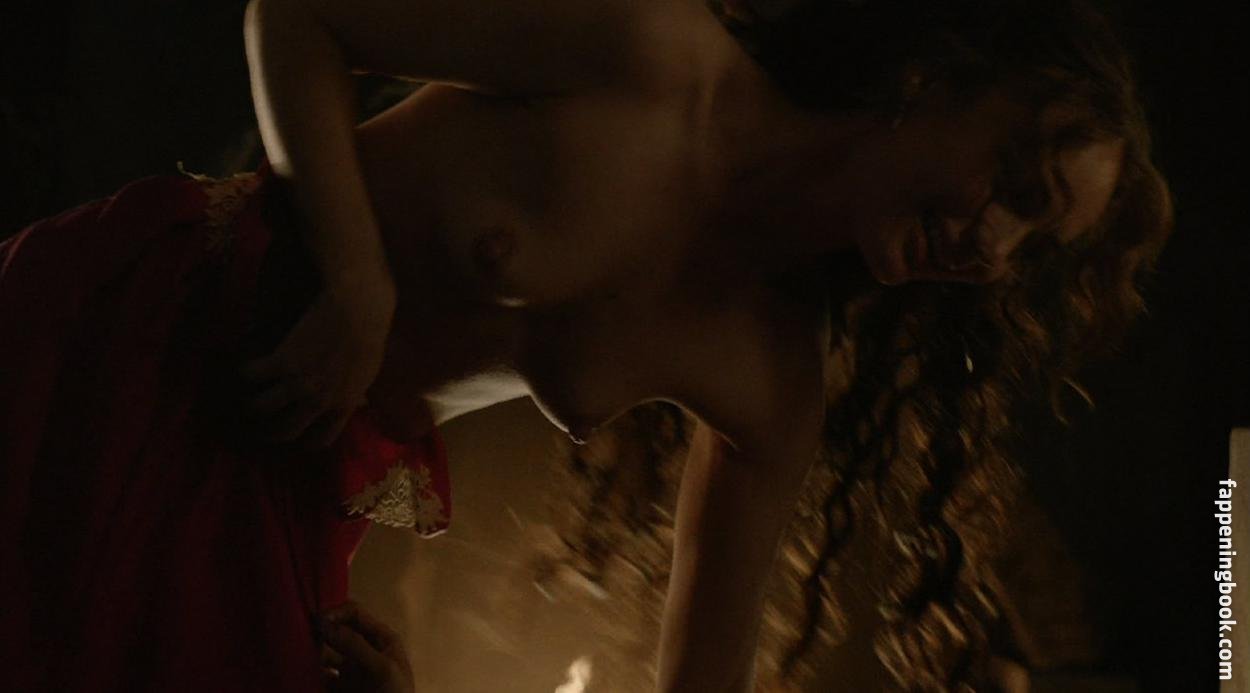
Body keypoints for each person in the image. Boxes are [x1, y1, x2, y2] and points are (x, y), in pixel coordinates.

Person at [0, 0, 1172, 691]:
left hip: (276, 499)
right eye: (1014, 186)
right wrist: (356, 282)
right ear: (941, 80)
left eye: (1032, 243)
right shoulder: (651, 52)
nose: (992, 246)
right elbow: (298, 16)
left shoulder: (770, 384)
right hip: (140, 336)